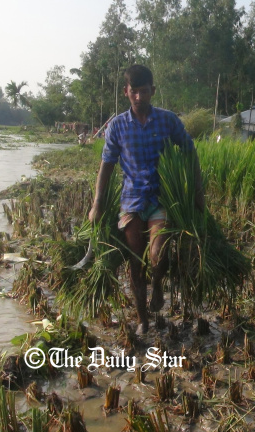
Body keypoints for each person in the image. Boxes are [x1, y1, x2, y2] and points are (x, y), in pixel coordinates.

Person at [88, 64, 204, 334]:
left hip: (160, 198)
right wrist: (97, 204)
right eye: (134, 92)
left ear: (153, 90)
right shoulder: (117, 126)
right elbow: (106, 165)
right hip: (131, 201)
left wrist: (198, 193)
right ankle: (142, 319)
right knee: (135, 263)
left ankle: (159, 282)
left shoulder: (167, 121)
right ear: (126, 92)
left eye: (144, 91)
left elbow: (190, 151)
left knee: (157, 254)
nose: (139, 97)